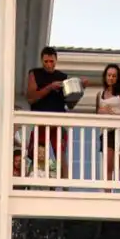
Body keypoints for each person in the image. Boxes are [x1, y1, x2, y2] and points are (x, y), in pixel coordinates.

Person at [26, 46, 88, 179]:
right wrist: (50, 87)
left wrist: (80, 90)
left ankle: (65, 187)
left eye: (51, 61)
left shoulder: (63, 77)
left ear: (56, 60)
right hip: (40, 122)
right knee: (37, 156)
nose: (49, 64)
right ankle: (32, 184)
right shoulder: (35, 74)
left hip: (58, 123)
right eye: (46, 61)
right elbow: (31, 98)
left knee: (61, 156)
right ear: (42, 61)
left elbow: (70, 105)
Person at [96, 63, 120, 182]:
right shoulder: (100, 94)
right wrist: (102, 112)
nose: (111, 78)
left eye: (114, 76)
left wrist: (112, 114)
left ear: (117, 78)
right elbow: (97, 114)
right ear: (105, 76)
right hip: (107, 132)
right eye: (109, 75)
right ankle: (107, 191)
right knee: (108, 165)